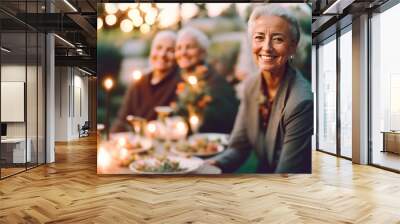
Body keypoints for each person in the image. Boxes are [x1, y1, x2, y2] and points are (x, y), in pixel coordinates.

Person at [210, 5, 313, 173]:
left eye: (278, 39)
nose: (266, 47)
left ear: (293, 46)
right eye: (259, 37)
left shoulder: (302, 103)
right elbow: (239, 147)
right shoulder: (251, 85)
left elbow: (286, 174)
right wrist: (212, 165)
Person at [111, 30, 180, 132]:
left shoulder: (180, 84)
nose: (162, 54)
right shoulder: (138, 81)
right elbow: (122, 120)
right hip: (133, 143)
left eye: (170, 50)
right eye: (159, 48)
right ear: (151, 50)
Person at [175, 27, 239, 134]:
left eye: (189, 47)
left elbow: (224, 121)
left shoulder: (215, 83)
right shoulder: (182, 77)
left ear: (203, 52)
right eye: (179, 48)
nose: (183, 52)